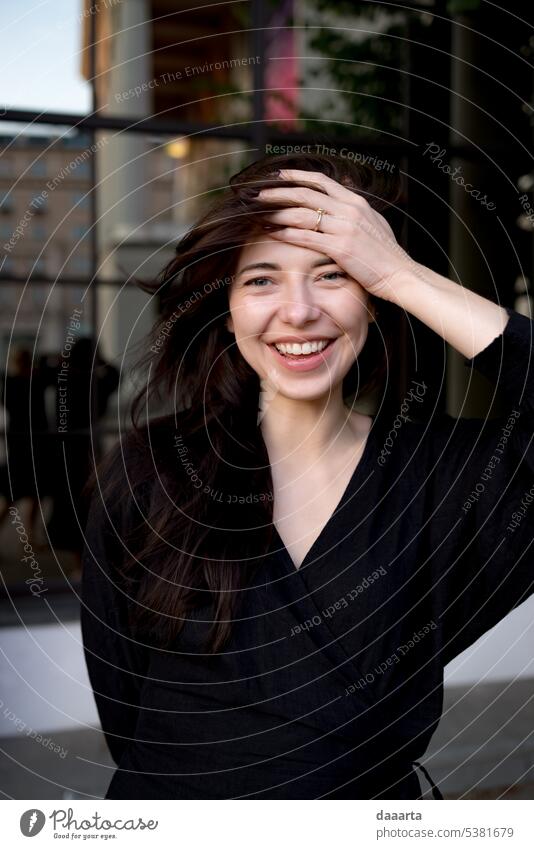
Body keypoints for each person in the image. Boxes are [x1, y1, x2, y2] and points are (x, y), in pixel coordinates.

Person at [80, 152, 534, 800]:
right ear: (228, 306)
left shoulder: (448, 478)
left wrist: (403, 273)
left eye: (334, 273)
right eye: (261, 279)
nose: (297, 311)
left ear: (375, 300)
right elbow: (123, 711)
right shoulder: (153, 468)